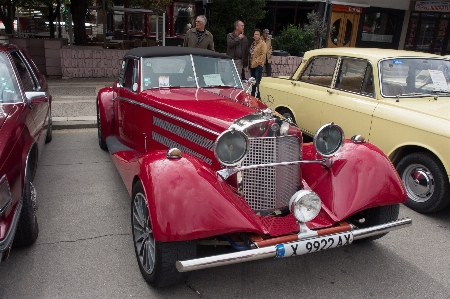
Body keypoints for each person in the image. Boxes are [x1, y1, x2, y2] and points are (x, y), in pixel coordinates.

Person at [248, 28, 266, 99]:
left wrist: (257, 62)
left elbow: (263, 54)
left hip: (258, 65)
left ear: (260, 35)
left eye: (257, 34)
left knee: (257, 81)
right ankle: (252, 95)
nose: (256, 36)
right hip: (252, 64)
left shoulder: (262, 44)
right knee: (253, 81)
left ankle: (258, 96)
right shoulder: (253, 43)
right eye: (255, 34)